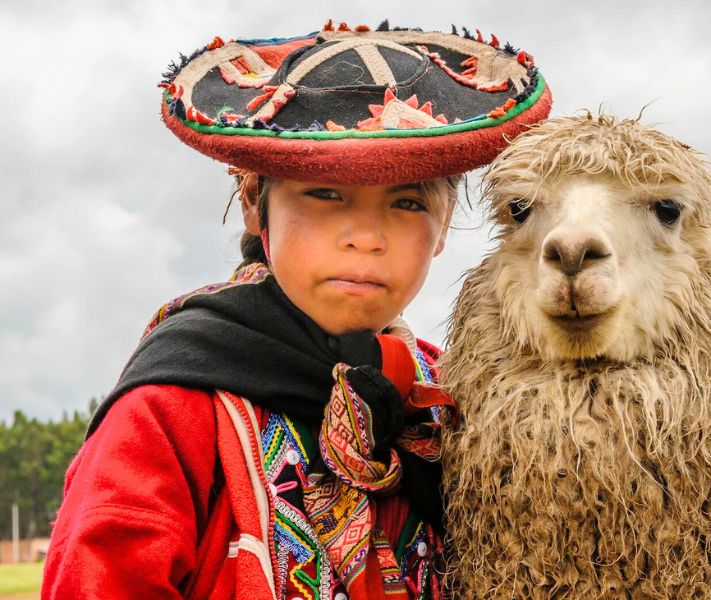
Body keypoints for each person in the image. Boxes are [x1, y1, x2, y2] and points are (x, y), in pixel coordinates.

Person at [41, 20, 551, 600]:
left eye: (408, 202)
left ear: (441, 232)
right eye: (325, 194)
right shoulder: (166, 413)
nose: (365, 237)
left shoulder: (456, 399)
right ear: (256, 202)